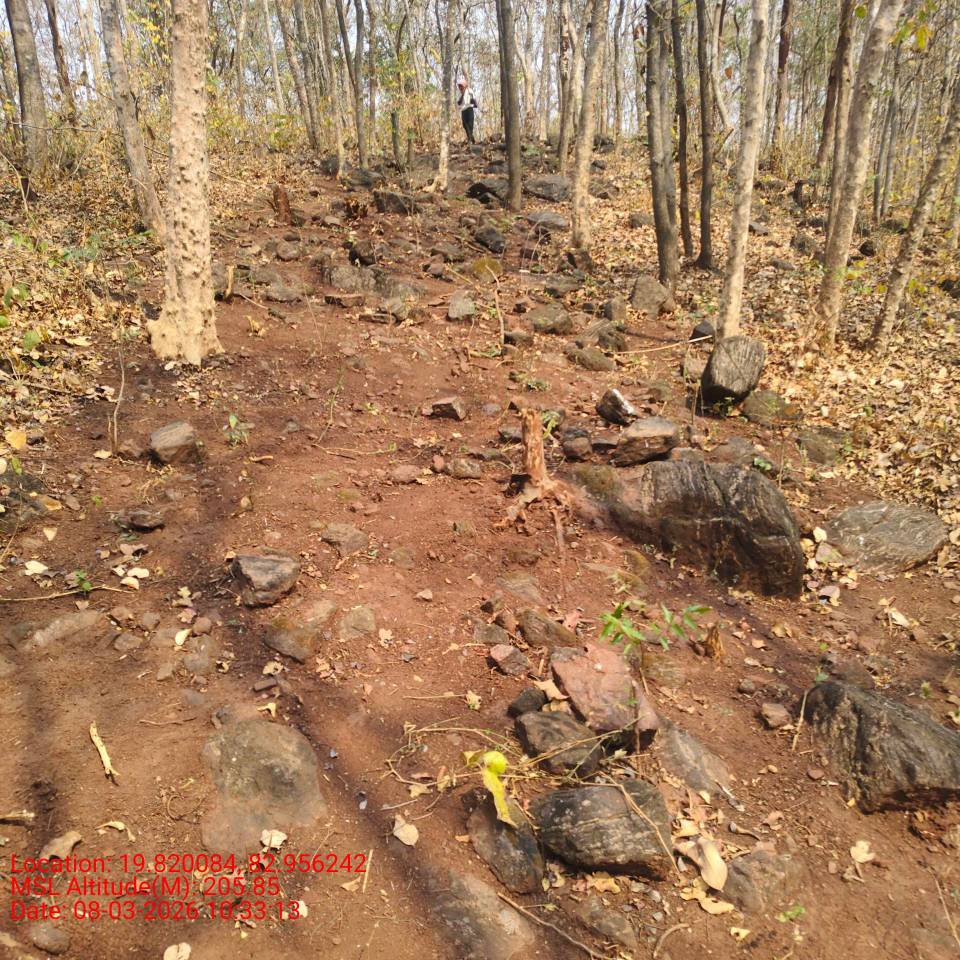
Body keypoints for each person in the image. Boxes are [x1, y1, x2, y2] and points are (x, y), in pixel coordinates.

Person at [457, 79, 478, 144]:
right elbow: (459, 103)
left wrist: (474, 102)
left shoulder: (469, 91)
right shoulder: (460, 93)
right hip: (463, 110)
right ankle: (471, 138)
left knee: (470, 124)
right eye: (459, 86)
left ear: (465, 86)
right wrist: (462, 95)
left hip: (469, 108)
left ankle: (470, 140)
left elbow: (473, 99)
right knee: (464, 124)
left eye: (461, 86)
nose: (460, 88)